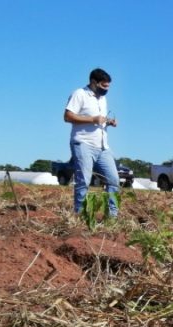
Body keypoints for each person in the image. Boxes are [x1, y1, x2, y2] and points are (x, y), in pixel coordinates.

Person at [64, 68, 120, 217]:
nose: (106, 89)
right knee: (84, 181)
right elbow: (67, 116)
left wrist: (108, 122)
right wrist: (93, 119)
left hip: (102, 146)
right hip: (83, 144)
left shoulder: (102, 99)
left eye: (108, 87)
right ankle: (79, 216)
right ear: (93, 82)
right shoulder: (79, 94)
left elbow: (98, 121)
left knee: (113, 180)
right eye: (104, 86)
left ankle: (112, 217)